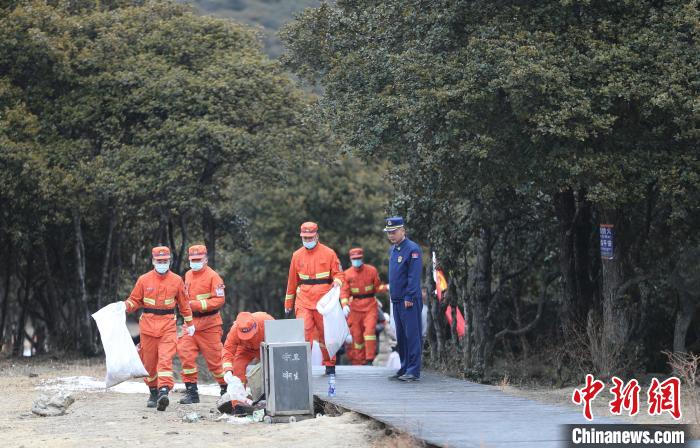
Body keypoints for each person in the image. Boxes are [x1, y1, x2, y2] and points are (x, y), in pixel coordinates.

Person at [123, 246, 193, 410]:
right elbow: (134, 300)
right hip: (147, 328)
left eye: (165, 261)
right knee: (149, 363)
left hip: (168, 326)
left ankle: (164, 391)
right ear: (153, 261)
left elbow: (184, 304)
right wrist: (124, 306)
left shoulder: (176, 280)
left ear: (169, 261)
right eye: (159, 261)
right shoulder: (144, 280)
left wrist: (190, 324)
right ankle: (153, 392)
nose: (162, 263)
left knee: (165, 359)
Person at [284, 222, 344, 375]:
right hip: (303, 300)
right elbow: (292, 281)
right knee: (303, 335)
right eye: (305, 237)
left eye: (310, 237)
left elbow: (339, 273)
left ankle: (330, 365)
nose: (307, 240)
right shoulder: (297, 255)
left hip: (324, 302)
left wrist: (337, 282)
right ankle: (302, 368)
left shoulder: (329, 253)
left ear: (317, 236)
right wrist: (288, 303)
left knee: (326, 334)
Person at [177, 244, 228, 404]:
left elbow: (220, 300)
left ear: (206, 259)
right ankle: (192, 393)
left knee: (216, 361)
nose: (195, 262)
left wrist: (197, 305)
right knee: (185, 354)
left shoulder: (214, 277)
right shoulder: (188, 275)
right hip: (190, 323)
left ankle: (226, 389)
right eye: (193, 260)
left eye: (199, 259)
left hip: (210, 325)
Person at [384, 217, 423, 382]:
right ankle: (405, 366)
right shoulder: (394, 249)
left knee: (412, 335)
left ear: (403, 230)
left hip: (409, 299)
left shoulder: (412, 249)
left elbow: (413, 276)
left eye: (394, 232)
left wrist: (409, 296)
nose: (391, 235)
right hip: (397, 299)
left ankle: (413, 370)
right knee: (401, 335)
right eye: (389, 233)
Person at [218, 311, 274, 414]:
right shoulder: (234, 330)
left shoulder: (266, 321)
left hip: (265, 347)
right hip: (244, 349)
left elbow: (278, 344)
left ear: (255, 326)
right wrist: (228, 370)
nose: (249, 337)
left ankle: (271, 399)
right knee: (237, 368)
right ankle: (238, 404)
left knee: (271, 368)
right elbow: (228, 350)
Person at [340, 247, 387, 365]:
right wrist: (345, 304)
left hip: (370, 305)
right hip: (354, 307)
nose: (357, 261)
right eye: (354, 259)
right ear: (351, 259)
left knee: (370, 331)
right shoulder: (347, 274)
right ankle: (360, 361)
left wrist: (386, 287)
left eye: (358, 258)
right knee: (356, 335)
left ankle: (369, 359)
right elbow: (344, 292)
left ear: (362, 258)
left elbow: (377, 287)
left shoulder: (371, 271)